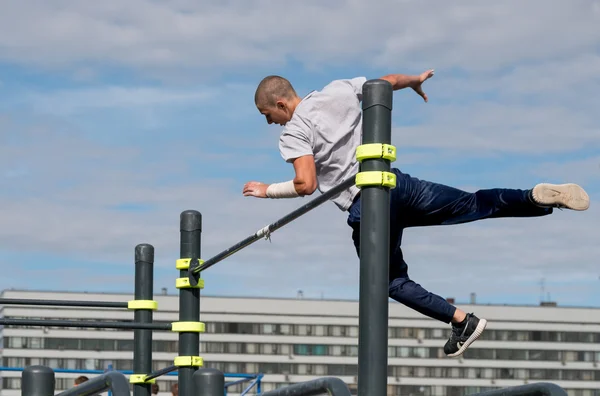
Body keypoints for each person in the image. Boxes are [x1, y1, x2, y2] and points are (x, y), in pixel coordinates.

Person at [242, 70, 590, 358]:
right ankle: (534, 199)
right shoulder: (337, 90)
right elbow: (387, 82)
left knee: (388, 280)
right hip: (399, 185)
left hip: (369, 206)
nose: (271, 123)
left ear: (281, 103)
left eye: (267, 115)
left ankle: (462, 321)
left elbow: (305, 184)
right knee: (472, 204)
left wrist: (266, 190)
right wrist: (414, 82)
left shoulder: (293, 132)